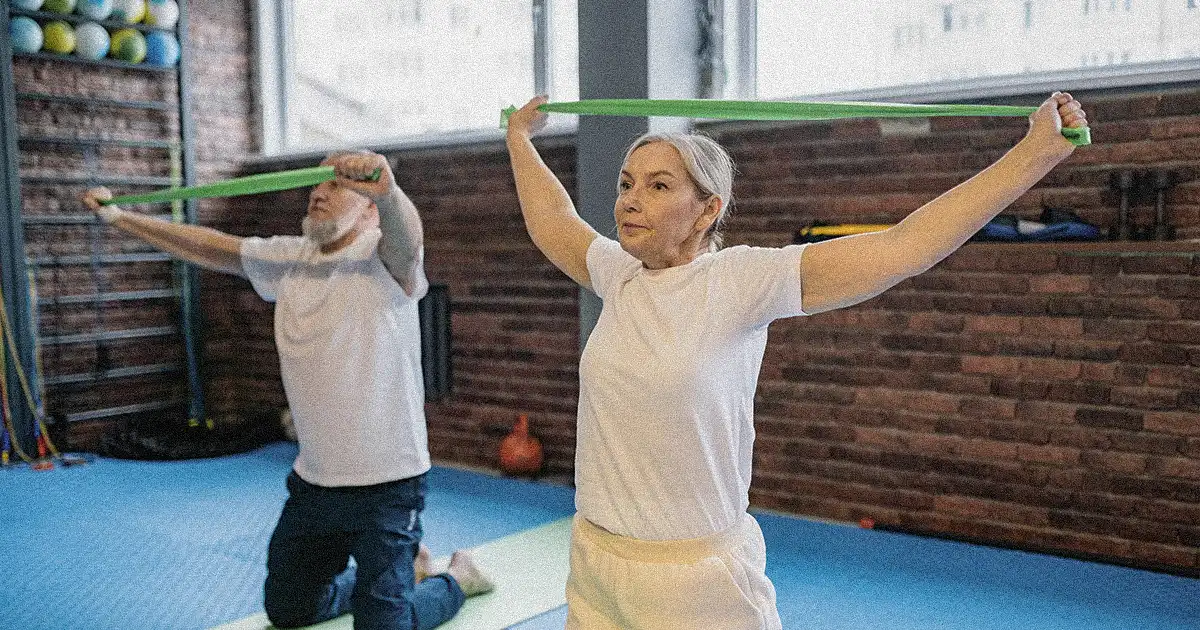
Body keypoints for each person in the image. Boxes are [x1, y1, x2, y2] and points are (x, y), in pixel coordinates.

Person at [504, 93, 1088, 629]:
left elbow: (903, 247)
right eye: (627, 183)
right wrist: (519, 139)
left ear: (708, 210)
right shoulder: (620, 274)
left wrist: (1034, 155)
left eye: (658, 187)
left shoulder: (740, 280)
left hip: (696, 582)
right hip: (596, 562)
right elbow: (553, 221)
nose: (630, 199)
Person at [82, 151, 494, 630]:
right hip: (314, 483)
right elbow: (210, 244)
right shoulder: (288, 258)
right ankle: (405, 575)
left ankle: (457, 579)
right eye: (316, 184)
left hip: (387, 487)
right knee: (290, 611)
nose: (319, 191)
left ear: (369, 211)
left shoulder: (382, 261)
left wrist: (391, 192)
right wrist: (121, 218)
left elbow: (407, 243)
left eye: (337, 185)